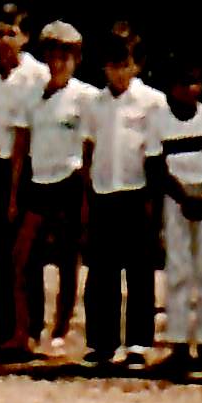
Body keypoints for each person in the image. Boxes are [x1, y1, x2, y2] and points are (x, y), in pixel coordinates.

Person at [4, 22, 101, 360]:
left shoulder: (87, 97)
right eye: (53, 56)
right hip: (37, 181)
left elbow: (90, 148)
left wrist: (88, 195)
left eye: (66, 57)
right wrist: (14, 194)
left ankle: (61, 330)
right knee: (22, 257)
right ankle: (26, 330)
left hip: (70, 181)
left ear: (76, 59)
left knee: (66, 259)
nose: (58, 63)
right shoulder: (31, 95)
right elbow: (20, 145)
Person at [82, 29, 164, 369]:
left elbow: (155, 154)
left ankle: (138, 343)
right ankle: (102, 342)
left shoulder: (152, 102)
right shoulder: (94, 103)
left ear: (137, 65)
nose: (117, 72)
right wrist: (87, 194)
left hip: (137, 192)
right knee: (102, 271)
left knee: (139, 271)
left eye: (124, 64)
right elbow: (88, 148)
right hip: (103, 191)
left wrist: (153, 202)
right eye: (111, 65)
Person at [0, 8, 49, 337]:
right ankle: (0, 327)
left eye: (11, 33)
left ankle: (30, 326)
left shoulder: (38, 74)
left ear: (25, 37)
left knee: (26, 252)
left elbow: (30, 130)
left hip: (25, 166)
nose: (4, 40)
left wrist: (17, 188)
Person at [150, 57, 202, 370]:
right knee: (179, 270)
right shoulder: (158, 119)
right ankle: (179, 342)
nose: (188, 89)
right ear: (171, 87)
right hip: (176, 198)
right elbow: (155, 166)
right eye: (182, 83)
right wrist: (183, 197)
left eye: (194, 82)